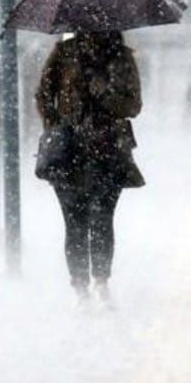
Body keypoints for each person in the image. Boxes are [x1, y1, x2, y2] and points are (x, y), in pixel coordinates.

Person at [34, 31, 144, 308]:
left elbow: (133, 105)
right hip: (69, 153)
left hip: (109, 150)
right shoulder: (64, 54)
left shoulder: (122, 57)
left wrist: (105, 94)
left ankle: (102, 282)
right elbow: (43, 95)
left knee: (103, 219)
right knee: (75, 222)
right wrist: (58, 126)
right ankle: (81, 287)